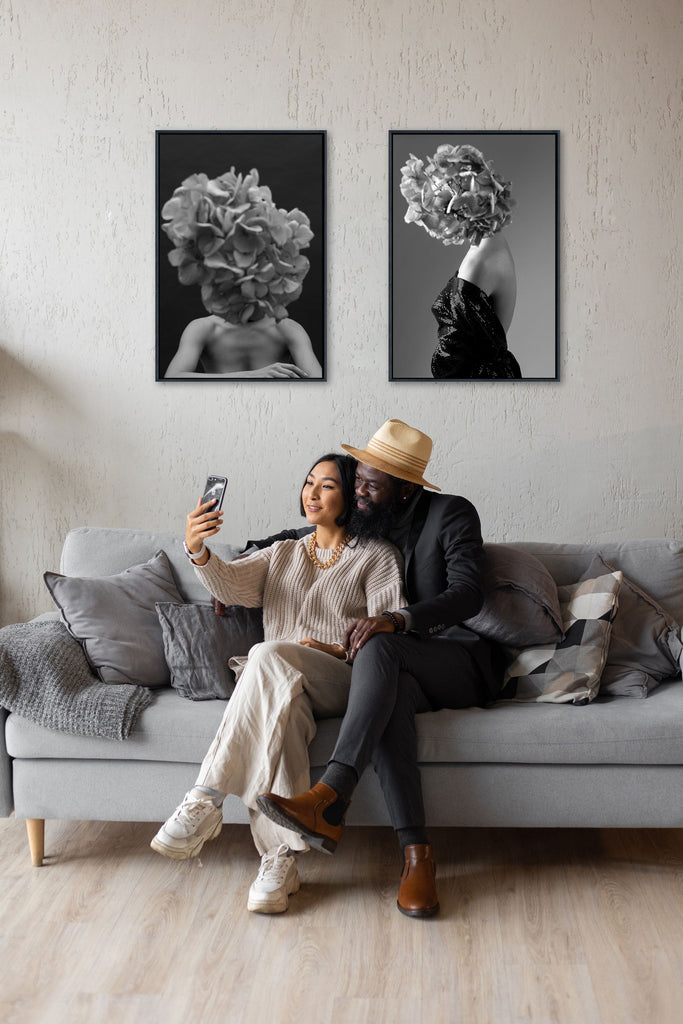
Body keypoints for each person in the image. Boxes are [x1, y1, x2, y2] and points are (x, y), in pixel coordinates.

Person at [257, 419, 506, 918]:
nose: (359, 492)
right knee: (386, 695)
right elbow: (303, 534)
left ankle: (332, 793)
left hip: (456, 658)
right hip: (394, 667)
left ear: (408, 488)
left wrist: (399, 618)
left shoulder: (451, 513)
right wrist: (247, 556)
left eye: (372, 484)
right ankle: (417, 856)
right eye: (358, 481)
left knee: (378, 645)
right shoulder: (370, 515)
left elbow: (469, 593)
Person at [150, 452, 405, 915]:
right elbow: (229, 584)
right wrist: (198, 550)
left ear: (350, 496)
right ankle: (279, 861)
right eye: (309, 482)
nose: (312, 492)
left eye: (327, 485)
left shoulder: (378, 557)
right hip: (283, 683)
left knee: (264, 656)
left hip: (343, 680)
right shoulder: (284, 551)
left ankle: (205, 798)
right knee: (282, 713)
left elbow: (387, 635)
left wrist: (325, 650)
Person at [160, 166, 322, 379]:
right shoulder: (204, 329)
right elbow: (173, 378)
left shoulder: (286, 329)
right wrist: (253, 375)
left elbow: (319, 382)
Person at [399, 144, 522, 379]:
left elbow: (448, 363)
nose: (435, 225)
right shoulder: (496, 245)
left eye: (439, 211)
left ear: (460, 209)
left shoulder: (478, 263)